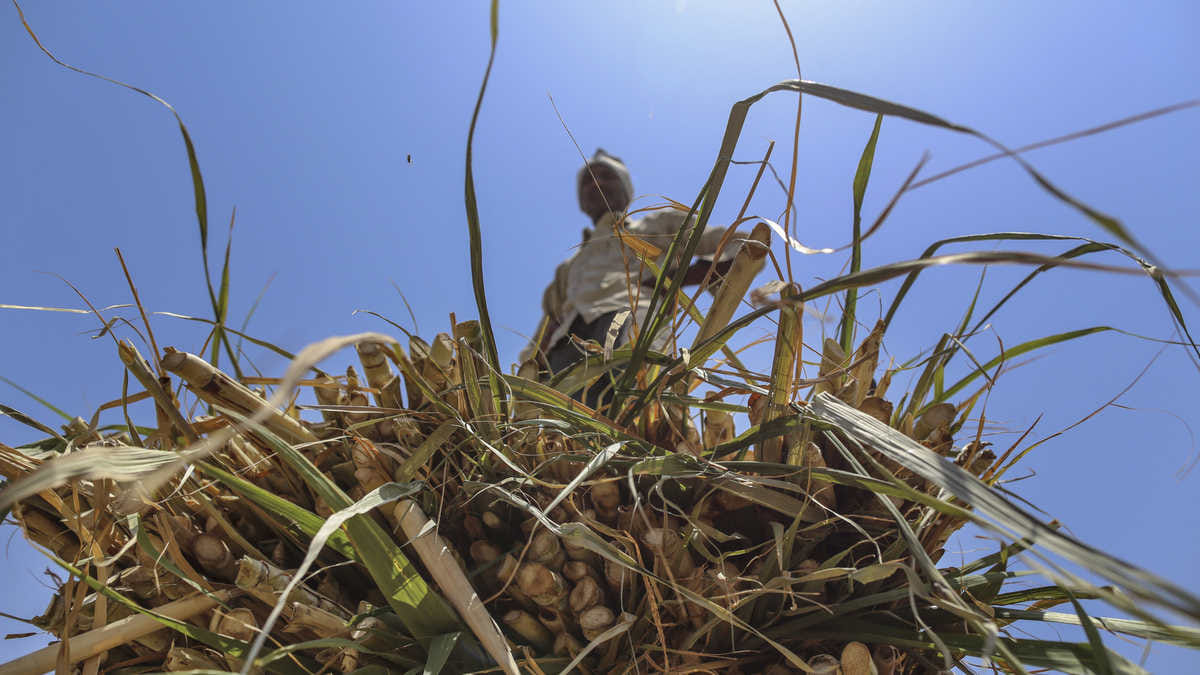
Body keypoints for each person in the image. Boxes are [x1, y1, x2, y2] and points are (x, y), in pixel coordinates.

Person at [522, 149, 735, 408]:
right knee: (567, 434)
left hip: (633, 321)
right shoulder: (569, 266)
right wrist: (528, 376)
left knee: (641, 415)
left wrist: (667, 282)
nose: (597, 184)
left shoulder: (659, 226)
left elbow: (737, 245)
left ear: (626, 189)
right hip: (567, 346)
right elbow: (548, 325)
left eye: (606, 176)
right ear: (581, 201)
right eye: (587, 180)